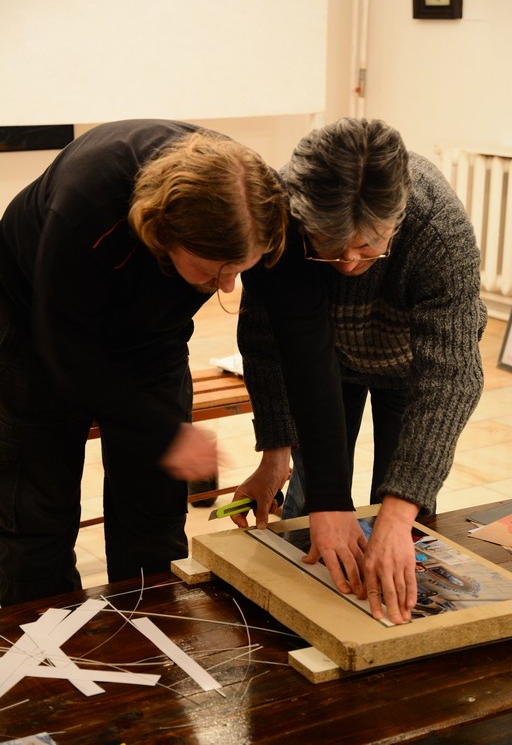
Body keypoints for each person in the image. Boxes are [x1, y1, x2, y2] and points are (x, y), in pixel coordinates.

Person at [0, 119, 288, 605]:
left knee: (154, 512)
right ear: (163, 234)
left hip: (153, 340)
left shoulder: (260, 206)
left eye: (239, 270)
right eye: (212, 271)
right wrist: (161, 429)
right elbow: (66, 348)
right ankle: (48, 640)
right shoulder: (87, 203)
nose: (227, 287)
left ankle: (150, 627)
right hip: (34, 326)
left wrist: (278, 448)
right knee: (35, 513)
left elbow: (283, 333)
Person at [234, 117, 487, 624]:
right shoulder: (276, 212)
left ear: (398, 219)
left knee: (401, 519)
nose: (349, 263)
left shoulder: (437, 228)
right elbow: (266, 341)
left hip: (411, 368)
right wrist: (276, 451)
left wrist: (399, 511)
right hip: (321, 370)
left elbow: (452, 375)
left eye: (370, 245)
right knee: (313, 512)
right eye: (328, 245)